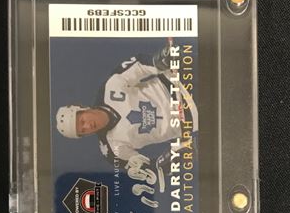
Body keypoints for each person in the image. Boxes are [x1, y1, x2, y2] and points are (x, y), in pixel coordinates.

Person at [56, 41, 198, 174]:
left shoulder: (109, 88)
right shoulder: (112, 150)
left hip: (182, 82)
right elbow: (147, 169)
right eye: (83, 131)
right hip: (192, 119)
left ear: (82, 108)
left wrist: (158, 61)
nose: (88, 126)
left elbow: (139, 65)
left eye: (82, 121)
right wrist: (167, 161)